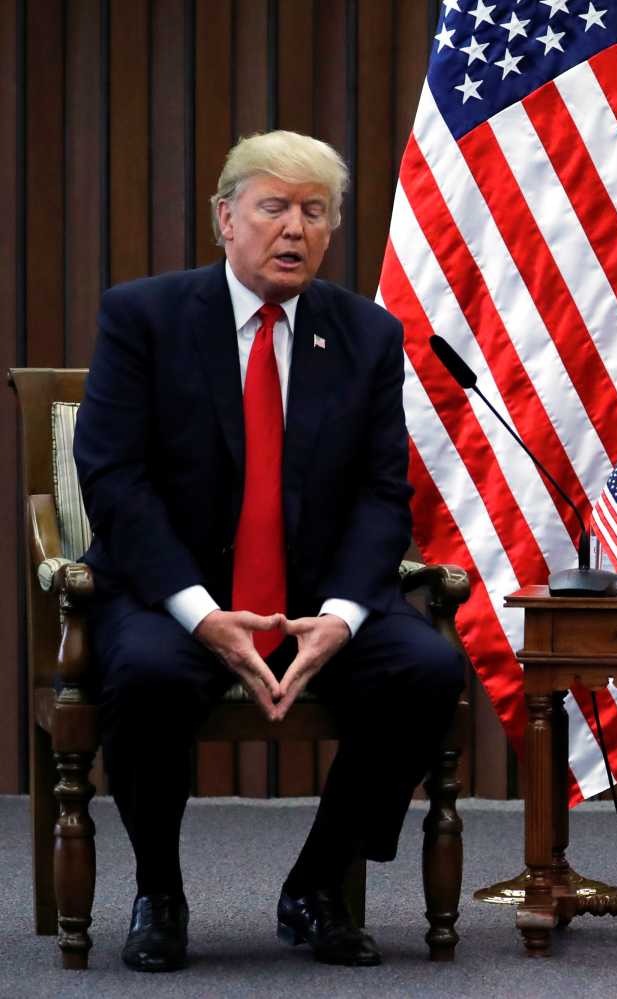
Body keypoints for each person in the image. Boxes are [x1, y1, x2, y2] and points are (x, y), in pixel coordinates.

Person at [73, 130, 467, 972]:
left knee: (427, 669)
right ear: (225, 217)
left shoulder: (365, 334)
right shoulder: (142, 317)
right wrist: (200, 612)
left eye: (315, 212)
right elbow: (114, 483)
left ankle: (318, 884)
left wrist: (339, 616)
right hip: (175, 597)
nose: (295, 228)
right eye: (274, 207)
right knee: (143, 675)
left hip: (311, 598)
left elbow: (382, 496)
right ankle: (160, 891)